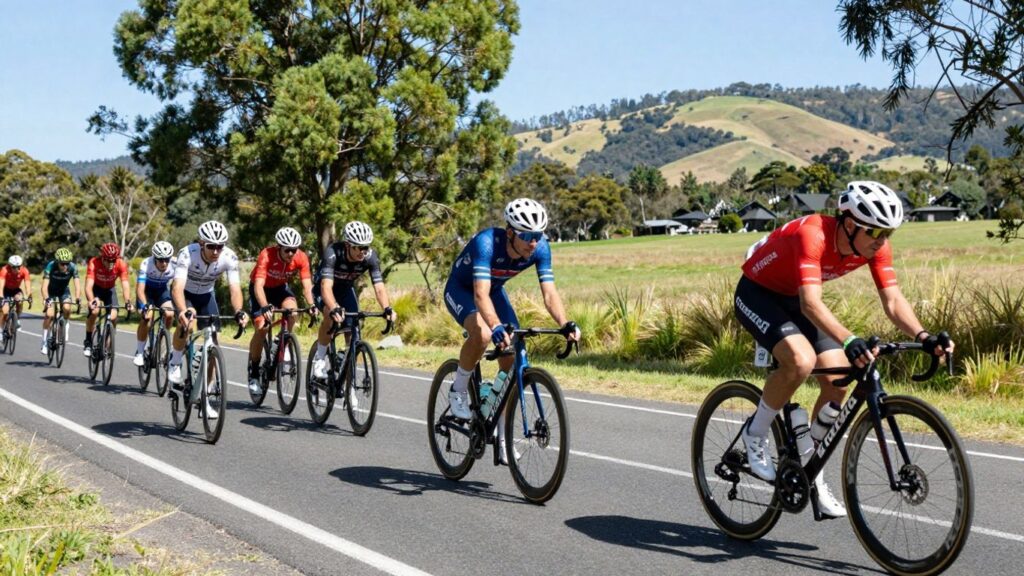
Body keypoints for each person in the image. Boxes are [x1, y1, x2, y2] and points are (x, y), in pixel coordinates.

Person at [735, 180, 954, 519]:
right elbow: (811, 304)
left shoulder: (874, 246)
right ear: (849, 224)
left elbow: (893, 301)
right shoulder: (813, 234)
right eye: (875, 232)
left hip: (795, 298)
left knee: (838, 378)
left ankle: (812, 468)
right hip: (758, 293)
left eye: (887, 234)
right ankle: (755, 434)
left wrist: (924, 336)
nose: (881, 241)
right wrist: (851, 340)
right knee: (800, 361)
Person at [442, 198, 580, 464]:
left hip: (494, 292)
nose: (533, 242)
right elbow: (480, 295)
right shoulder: (486, 243)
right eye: (527, 236)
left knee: (511, 361)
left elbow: (549, 294)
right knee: (482, 334)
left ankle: (502, 435)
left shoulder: (540, 249)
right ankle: (459, 388)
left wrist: (565, 323)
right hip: (462, 290)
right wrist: (494, 327)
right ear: (510, 233)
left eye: (538, 235)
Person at [167, 221, 249, 411]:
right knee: (188, 322)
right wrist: (181, 310)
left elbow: (235, 289)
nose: (216, 251)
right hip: (185, 295)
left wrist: (238, 311)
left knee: (214, 341)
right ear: (201, 243)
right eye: (211, 246)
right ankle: (176, 361)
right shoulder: (187, 253)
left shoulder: (229, 257)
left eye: (220, 247)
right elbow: (176, 288)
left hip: (206, 295)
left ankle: (207, 391)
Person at [246, 227, 317, 396]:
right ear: (279, 247)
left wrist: (312, 304)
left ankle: (282, 341)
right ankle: (254, 371)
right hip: (261, 290)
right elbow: (258, 286)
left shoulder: (301, 258)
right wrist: (264, 306)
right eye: (287, 250)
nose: (291, 253)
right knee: (262, 327)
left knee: (292, 312)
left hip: (280, 289)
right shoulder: (267, 255)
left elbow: (307, 285)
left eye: (294, 249)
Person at [133, 241, 177, 367]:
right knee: (147, 317)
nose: (164, 263)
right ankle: (140, 352)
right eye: (160, 260)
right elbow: (140, 289)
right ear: (154, 258)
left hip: (162, 291)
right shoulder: (146, 264)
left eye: (166, 260)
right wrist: (145, 304)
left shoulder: (175, 263)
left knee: (169, 314)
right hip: (147, 292)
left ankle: (162, 340)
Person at [83, 243, 132, 356]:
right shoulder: (94, 262)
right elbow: (88, 286)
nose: (111, 263)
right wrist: (91, 300)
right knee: (95, 311)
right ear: (102, 257)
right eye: (108, 260)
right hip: (97, 290)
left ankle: (107, 343)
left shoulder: (120, 264)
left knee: (114, 316)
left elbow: (125, 285)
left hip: (110, 290)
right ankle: (88, 341)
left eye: (113, 260)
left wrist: (128, 301)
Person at [39, 248, 81, 355]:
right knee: (49, 314)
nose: (65, 266)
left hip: (63, 290)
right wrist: (46, 299)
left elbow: (77, 285)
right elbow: (44, 287)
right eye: (62, 263)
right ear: (57, 262)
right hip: (51, 291)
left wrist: (77, 298)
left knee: (67, 308)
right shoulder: (51, 266)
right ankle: (44, 341)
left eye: (67, 263)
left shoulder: (72, 267)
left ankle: (66, 324)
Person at [0, 255, 32, 343]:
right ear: (10, 266)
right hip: (5, 290)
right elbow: (1, 285)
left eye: (19, 266)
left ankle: (17, 318)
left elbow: (27, 285)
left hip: (15, 290)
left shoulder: (24, 271)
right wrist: (1, 298)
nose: (17, 269)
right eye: (14, 267)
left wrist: (29, 296)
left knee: (20, 300)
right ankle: (1, 331)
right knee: (5, 311)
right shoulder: (4, 270)